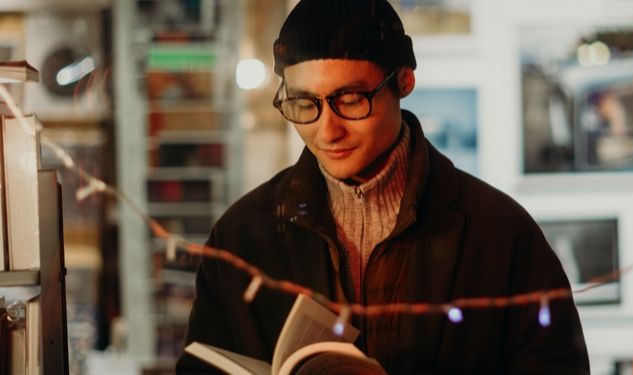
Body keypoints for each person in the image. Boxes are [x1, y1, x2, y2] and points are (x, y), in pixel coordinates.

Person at [176, 0, 589, 373]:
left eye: (351, 99)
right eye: (304, 104)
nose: (327, 130)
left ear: (403, 81)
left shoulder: (499, 232)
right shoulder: (243, 235)